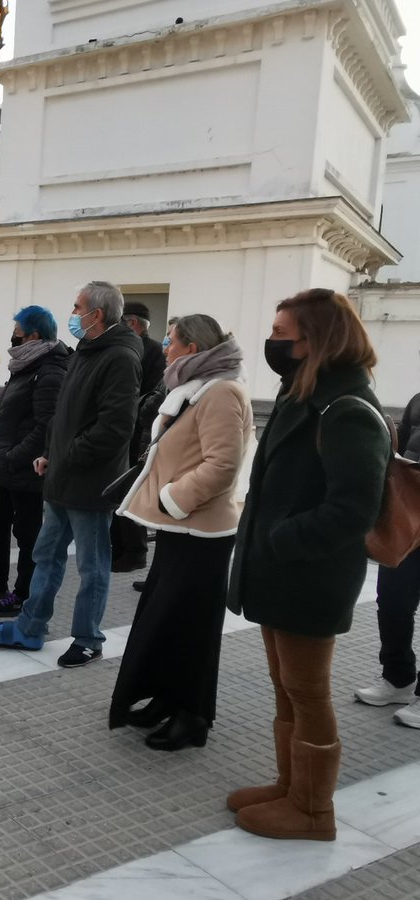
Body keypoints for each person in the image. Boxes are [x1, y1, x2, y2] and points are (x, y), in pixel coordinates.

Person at [226, 288, 390, 842]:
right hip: (281, 571)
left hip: (309, 575)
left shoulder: (347, 410)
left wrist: (283, 541)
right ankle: (290, 786)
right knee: (286, 686)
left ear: (314, 340)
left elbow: (354, 508)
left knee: (308, 692)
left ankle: (314, 812)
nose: (271, 342)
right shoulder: (304, 394)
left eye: (281, 333)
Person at [108, 315, 252, 751]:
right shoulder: (196, 387)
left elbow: (223, 464)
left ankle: (192, 716)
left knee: (192, 627)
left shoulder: (221, 391)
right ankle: (167, 699)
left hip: (201, 531)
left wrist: (174, 498)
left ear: (192, 348)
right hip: (181, 527)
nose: (165, 348)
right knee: (168, 620)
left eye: (171, 341)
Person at [0, 281, 142, 668]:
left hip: (91, 483)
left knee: (92, 565)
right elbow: (64, 416)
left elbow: (115, 427)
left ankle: (88, 639)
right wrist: (49, 454)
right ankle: (30, 627)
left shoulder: (119, 357)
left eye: (77, 307)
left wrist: (66, 457)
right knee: (46, 555)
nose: (73, 314)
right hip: (62, 478)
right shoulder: (85, 351)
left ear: (96, 314)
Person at [0, 307, 69, 612]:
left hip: (26, 469)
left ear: (33, 335)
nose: (13, 336)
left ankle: (23, 595)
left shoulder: (49, 371)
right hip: (8, 467)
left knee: (27, 533)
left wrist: (13, 456)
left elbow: (46, 425)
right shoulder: (25, 365)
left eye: (17, 330)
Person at [354, 387, 420, 729]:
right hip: (410, 518)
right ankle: (398, 678)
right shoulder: (418, 400)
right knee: (393, 602)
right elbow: (399, 450)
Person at [111, 301, 170, 573]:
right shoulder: (128, 347)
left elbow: (153, 396)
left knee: (131, 493)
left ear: (132, 323)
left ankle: (134, 551)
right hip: (124, 432)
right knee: (118, 494)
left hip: (138, 435)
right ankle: (119, 549)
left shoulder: (154, 351)